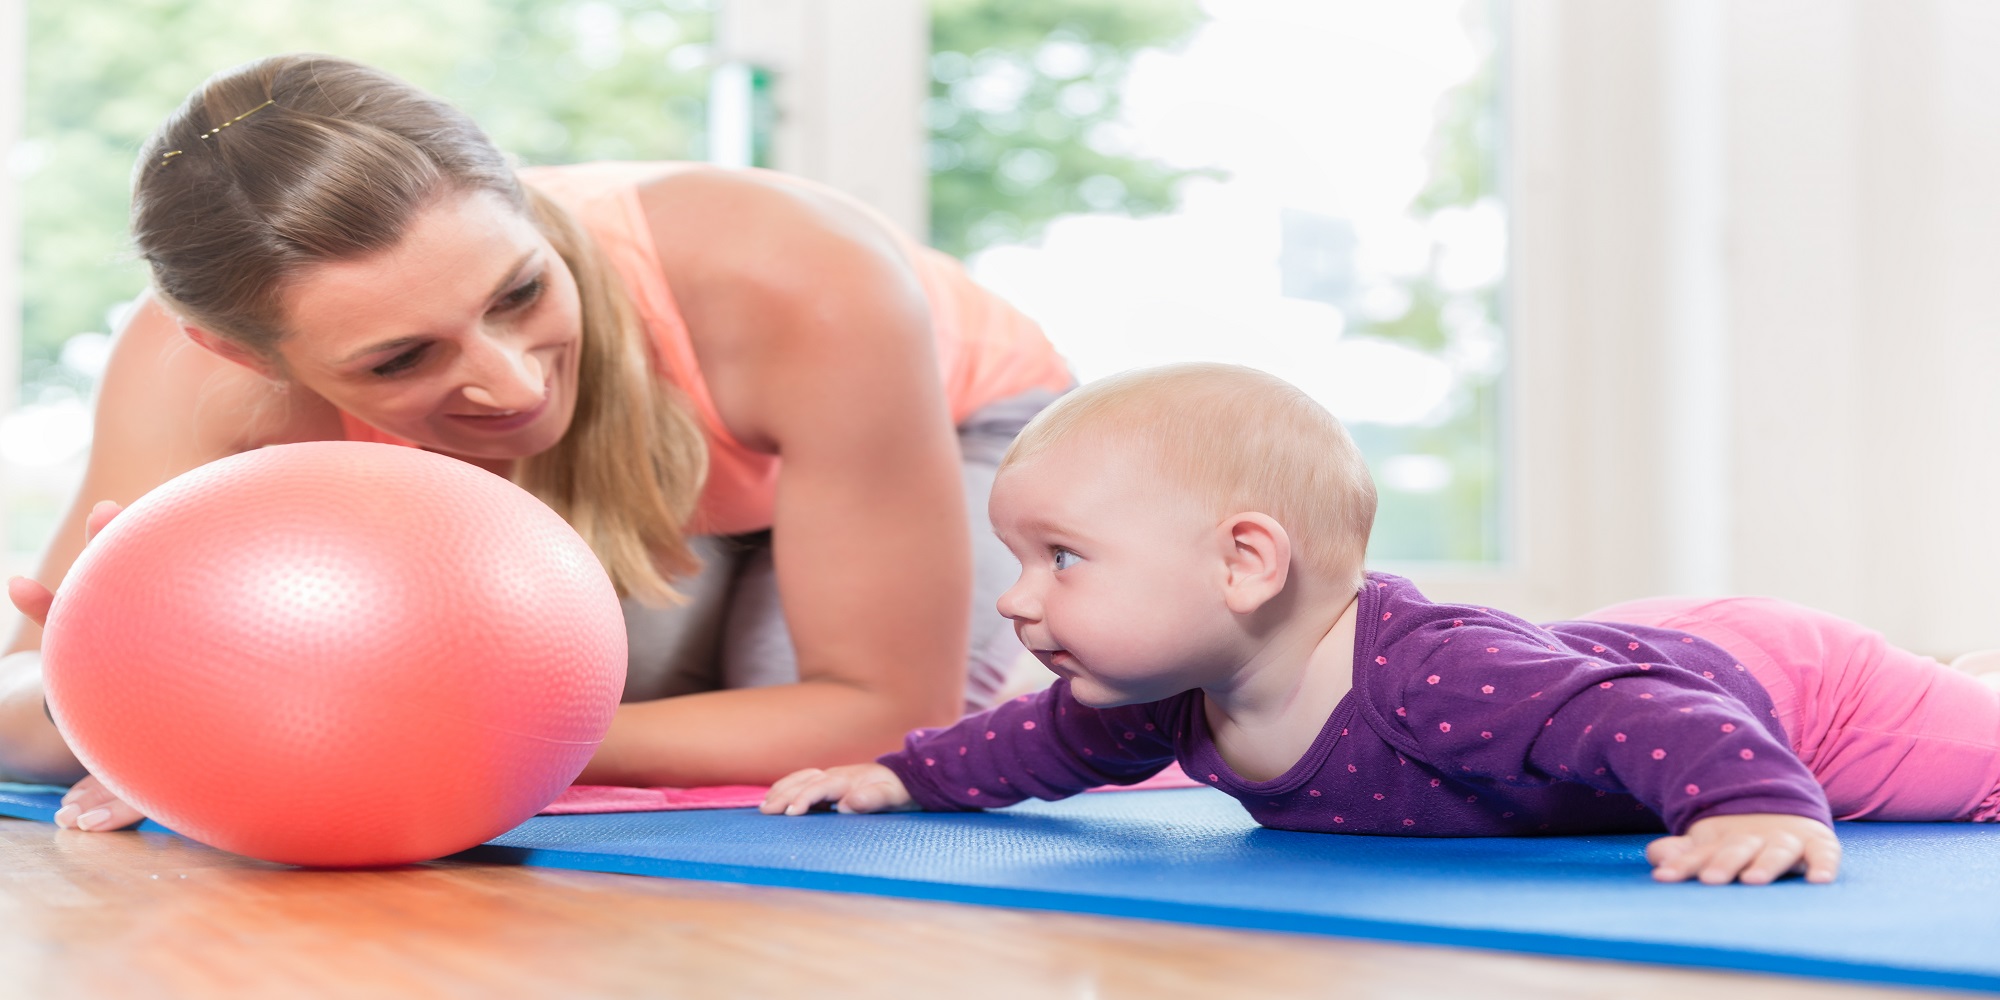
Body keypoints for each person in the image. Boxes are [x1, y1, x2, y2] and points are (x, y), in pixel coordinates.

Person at [0, 54, 1074, 831]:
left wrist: (418, 725)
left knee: (809, 743)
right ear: (243, 355)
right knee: (616, 686)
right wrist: (116, 695)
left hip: (948, 424)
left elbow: (879, 705)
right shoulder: (190, 376)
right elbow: (29, 709)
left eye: (518, 290)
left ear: (521, 197)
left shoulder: (798, 275)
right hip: (647, 499)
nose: (511, 385)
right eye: (397, 361)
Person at [760, 363, 2000, 886]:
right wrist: (894, 776)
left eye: (1061, 559)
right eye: (1018, 560)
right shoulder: (1152, 693)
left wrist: (1758, 804)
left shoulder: (1433, 683)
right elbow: (1028, 746)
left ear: (1245, 562)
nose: (1019, 598)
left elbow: (1648, 714)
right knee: (1555, 695)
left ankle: (1957, 678)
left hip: (1779, 690)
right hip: (1587, 662)